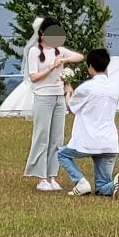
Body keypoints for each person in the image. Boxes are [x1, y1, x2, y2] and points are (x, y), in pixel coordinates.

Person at [22, 16, 85, 191]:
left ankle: (52, 176)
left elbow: (79, 56)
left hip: (58, 97)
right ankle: (41, 177)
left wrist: (64, 61)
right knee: (42, 136)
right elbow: (33, 77)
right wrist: (51, 67)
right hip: (43, 97)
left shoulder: (59, 50)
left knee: (57, 138)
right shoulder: (35, 52)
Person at [57, 48, 119, 197]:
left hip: (88, 140)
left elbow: (72, 107)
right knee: (101, 186)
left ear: (90, 67)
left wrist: (68, 91)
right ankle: (113, 186)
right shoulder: (114, 88)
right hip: (109, 143)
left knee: (62, 154)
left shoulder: (87, 87)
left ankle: (81, 182)